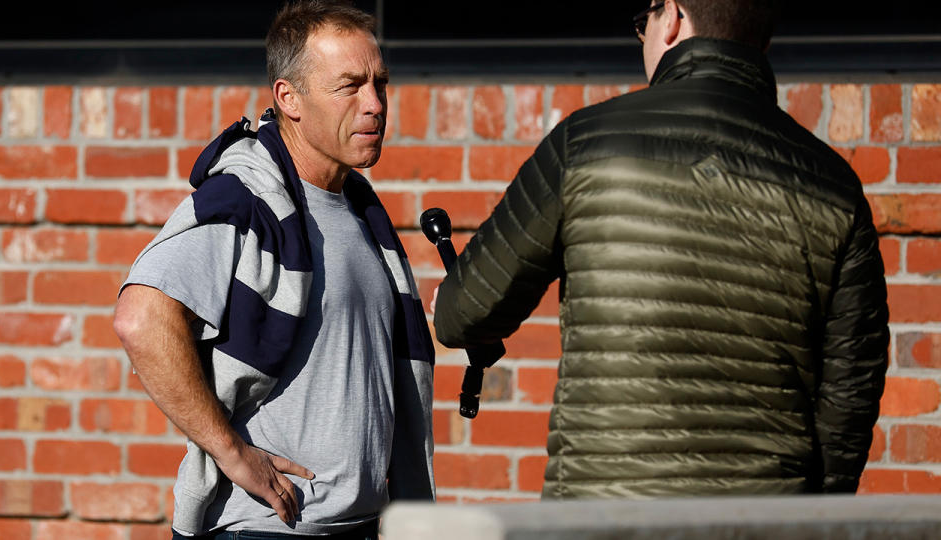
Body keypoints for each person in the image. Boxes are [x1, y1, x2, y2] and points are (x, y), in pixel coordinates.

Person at [434, 0, 888, 498]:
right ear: (762, 40)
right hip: (762, 520)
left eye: (642, 23)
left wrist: (451, 300)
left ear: (671, 17)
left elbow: (464, 315)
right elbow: (851, 393)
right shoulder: (834, 186)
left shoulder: (585, 144)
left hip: (603, 518)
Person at [113, 1, 435, 538]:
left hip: (361, 525)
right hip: (267, 527)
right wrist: (233, 452)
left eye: (381, 83)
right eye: (349, 86)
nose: (375, 104)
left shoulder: (360, 211)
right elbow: (140, 319)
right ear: (289, 98)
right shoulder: (244, 200)